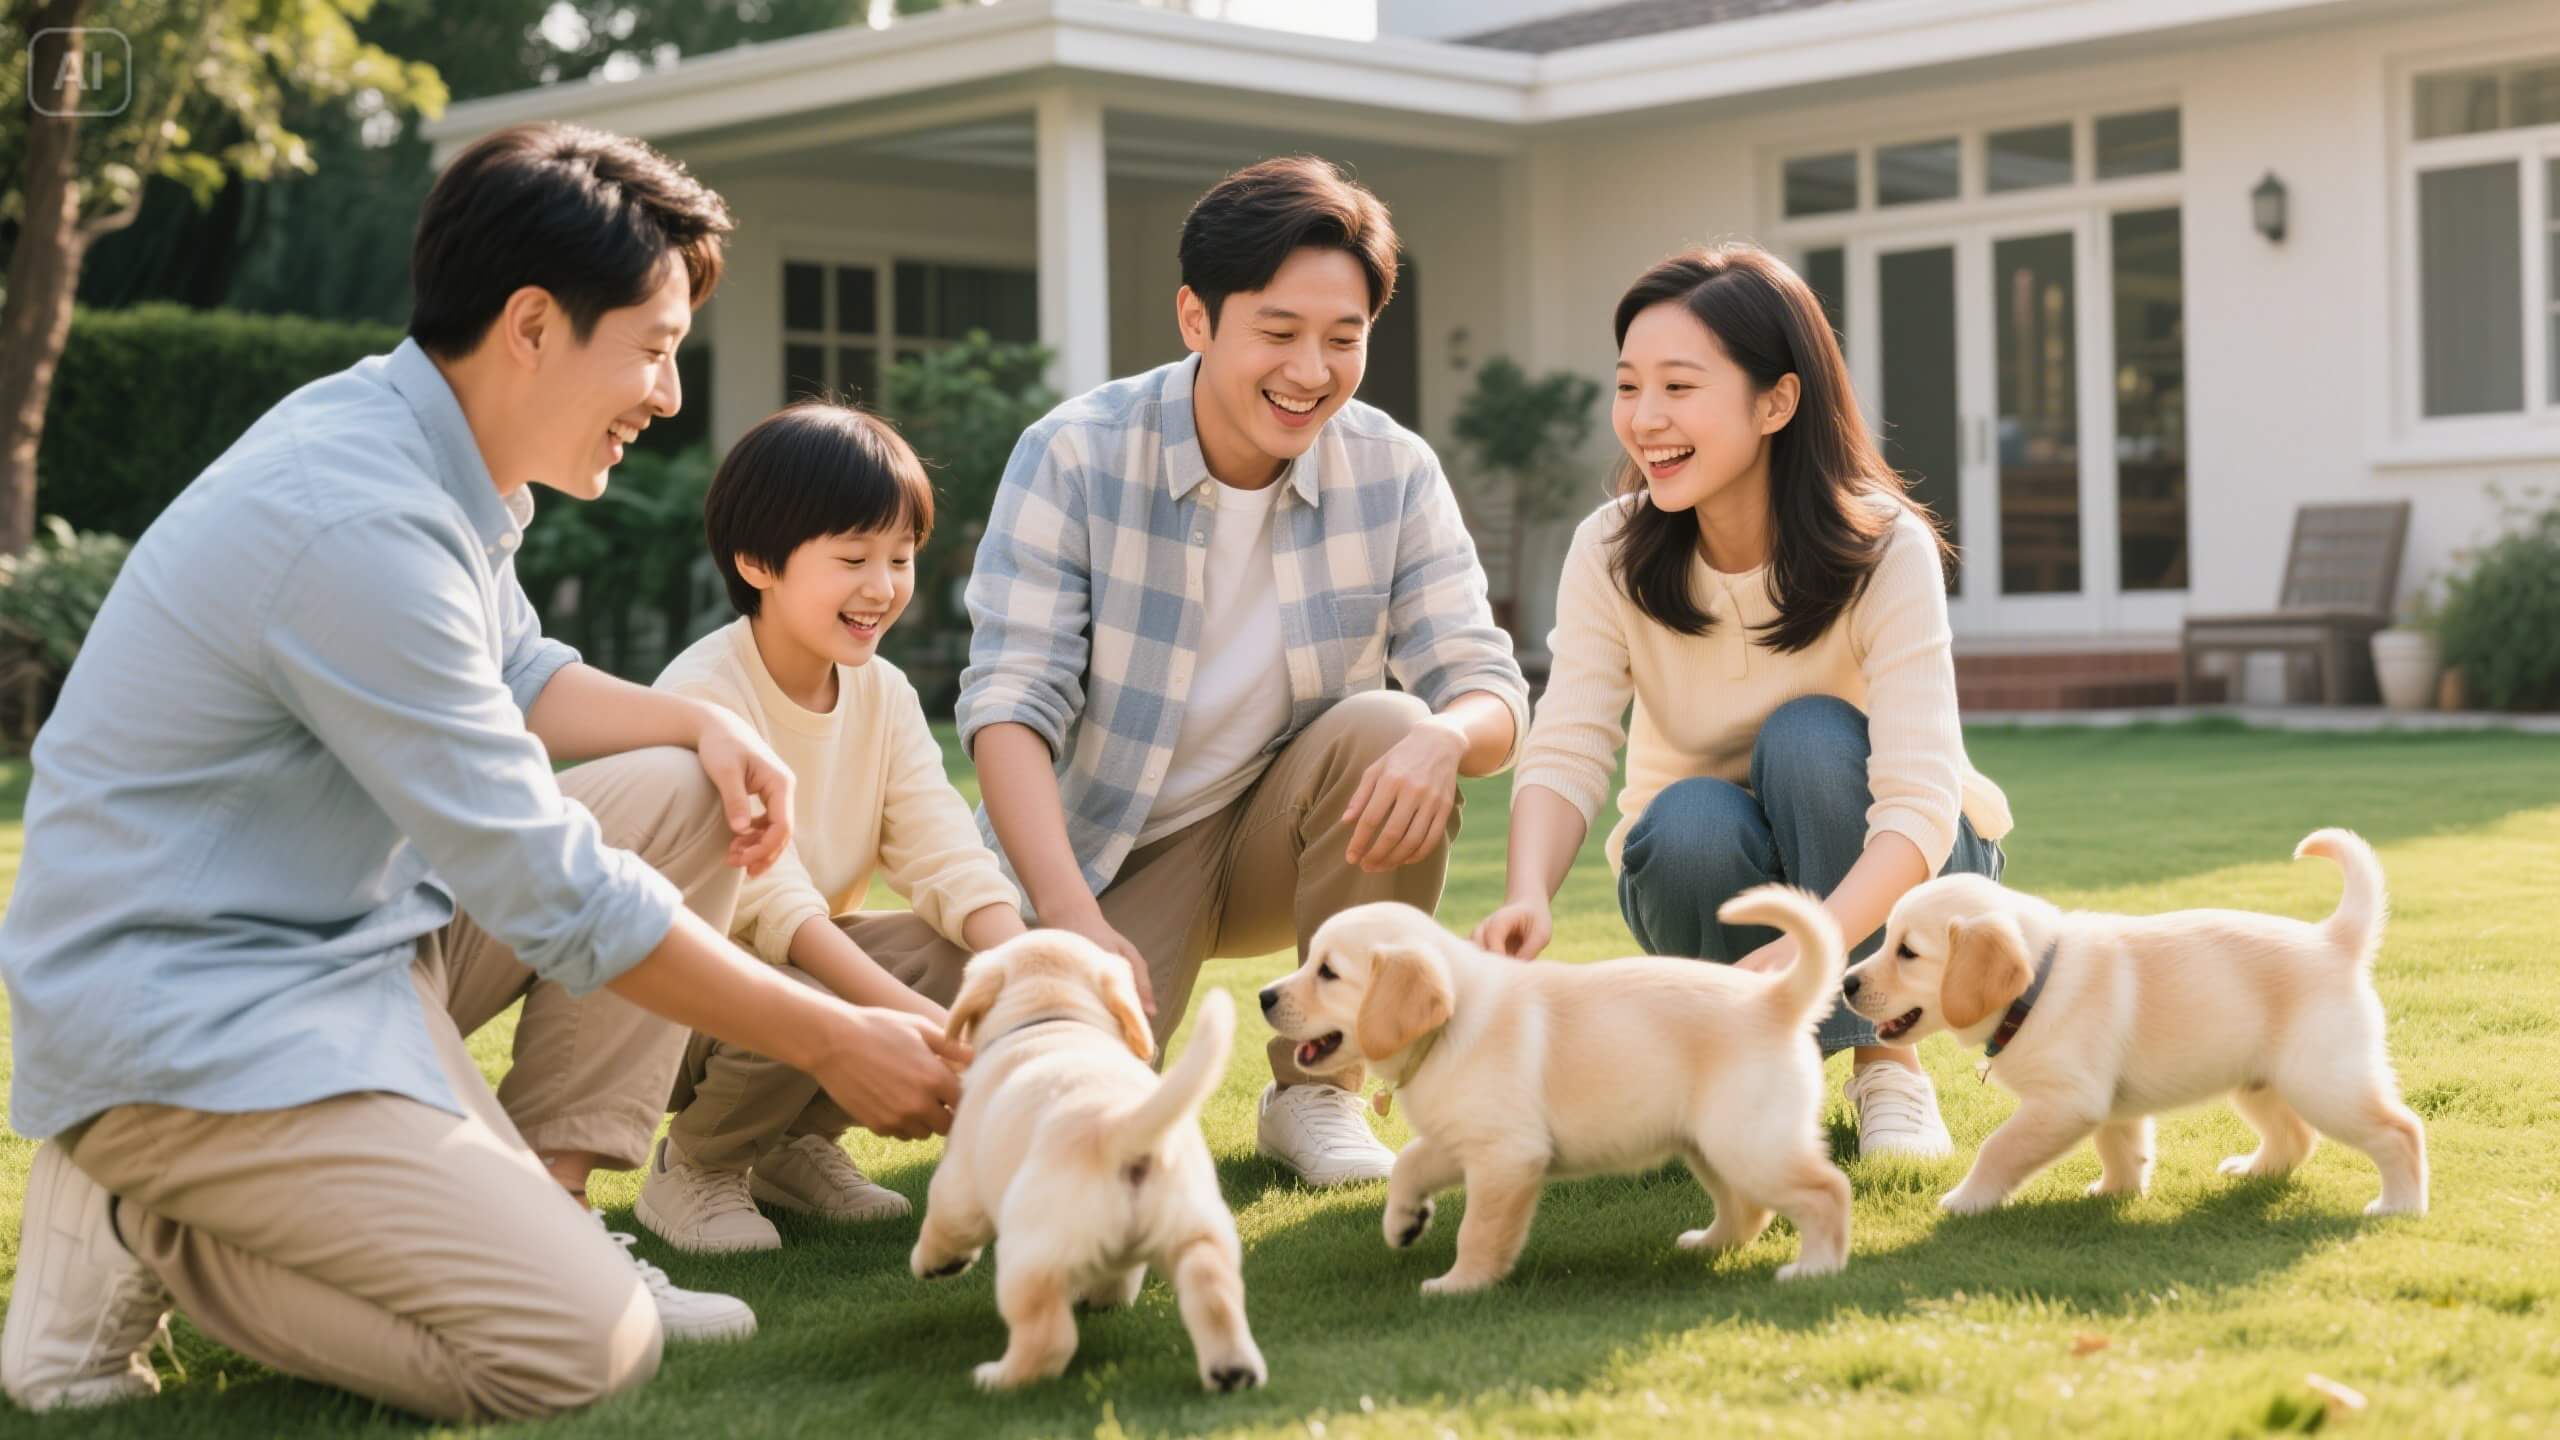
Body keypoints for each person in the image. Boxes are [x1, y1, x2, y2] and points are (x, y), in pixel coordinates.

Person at [0, 123, 965, 1422]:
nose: (670, 395)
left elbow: (516, 670)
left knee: (682, 789)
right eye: (655, 348)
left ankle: (549, 1213)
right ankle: (153, 1213)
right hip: (198, 1017)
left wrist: (699, 729)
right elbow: (550, 890)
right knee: (582, 1351)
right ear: (532, 325)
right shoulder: (356, 519)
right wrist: (834, 1036)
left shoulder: (424, 451)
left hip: (348, 948)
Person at [959, 156, 1529, 1186]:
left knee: (1396, 728)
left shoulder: (1392, 469)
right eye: (1278, 333)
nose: (1311, 371)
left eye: (1343, 338)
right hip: (1100, 857)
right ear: (1196, 318)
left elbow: (1486, 685)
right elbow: (1008, 705)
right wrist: (1073, 924)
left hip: (1278, 832)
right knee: (1046, 1125)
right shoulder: (1076, 453)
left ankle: (1317, 1091)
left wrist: (1445, 736)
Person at [1475, 244, 2014, 1159]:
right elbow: (1567, 744)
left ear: (1776, 402)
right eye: (1628, 387)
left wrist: (1819, 941)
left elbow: (1919, 801)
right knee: (1687, 819)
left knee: (1808, 737)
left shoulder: (1886, 546)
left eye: (1679, 387)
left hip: (1910, 871)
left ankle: (1886, 1063)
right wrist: (1527, 894)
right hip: (1706, 867)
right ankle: (1734, 1075)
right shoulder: (1610, 550)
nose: (1645, 418)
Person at [637, 401, 1026, 1253]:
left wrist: (1030, 975)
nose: (882, 587)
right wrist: (906, 1027)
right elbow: (775, 912)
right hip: (666, 1005)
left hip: (786, 970)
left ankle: (790, 1147)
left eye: (901, 557)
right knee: (806, 989)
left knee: (962, 957)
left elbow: (943, 852)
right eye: (853, 558)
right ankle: (697, 1163)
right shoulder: (704, 696)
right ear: (757, 561)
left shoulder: (882, 691)